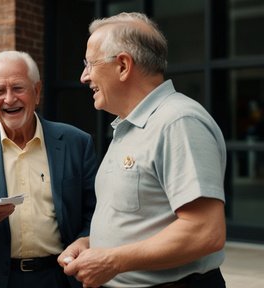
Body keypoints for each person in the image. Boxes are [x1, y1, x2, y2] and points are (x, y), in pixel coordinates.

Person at [58, 12, 227, 287]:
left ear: (123, 65)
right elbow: (144, 221)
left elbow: (204, 232)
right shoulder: (129, 126)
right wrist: (93, 244)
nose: (83, 77)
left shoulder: (178, 122)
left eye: (89, 64)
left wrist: (112, 260)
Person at [0, 50, 98, 288]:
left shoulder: (77, 142)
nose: (9, 99)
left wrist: (83, 245)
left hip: (62, 277)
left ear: (37, 91)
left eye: (18, 88)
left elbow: (94, 210)